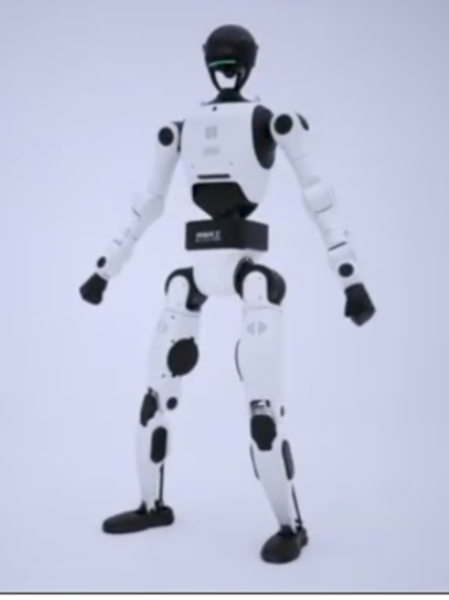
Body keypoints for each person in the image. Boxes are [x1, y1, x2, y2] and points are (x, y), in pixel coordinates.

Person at [79, 24, 376, 564]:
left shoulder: (271, 121)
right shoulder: (181, 129)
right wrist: (106, 270)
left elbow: (318, 197)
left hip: (248, 273)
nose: (225, 70)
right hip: (194, 271)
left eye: (233, 61)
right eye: (217, 61)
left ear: (249, 64)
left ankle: (290, 525)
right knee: (153, 400)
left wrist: (350, 279)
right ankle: (151, 505)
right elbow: (148, 202)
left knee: (263, 410)